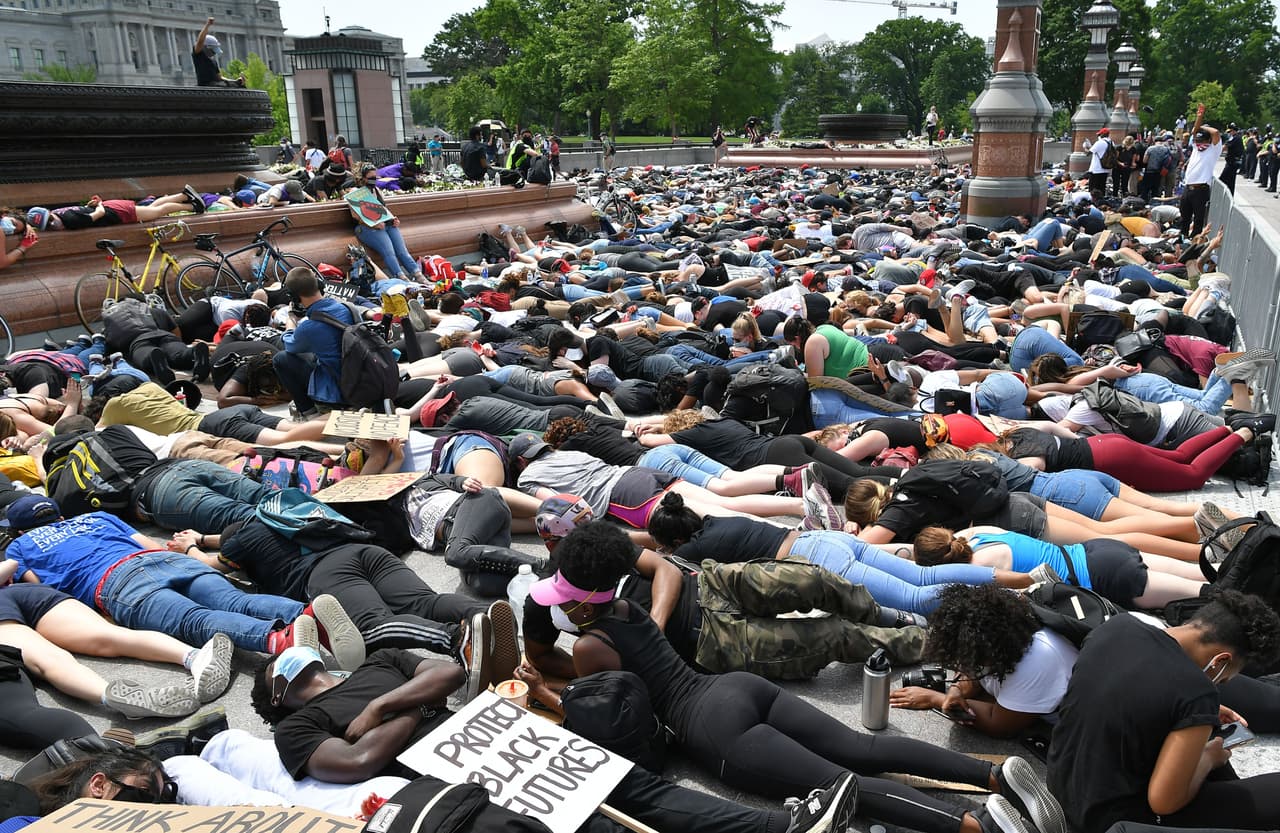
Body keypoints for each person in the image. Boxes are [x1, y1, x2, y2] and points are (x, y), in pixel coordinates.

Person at [525, 520, 1066, 833]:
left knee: (844, 786)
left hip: (710, 726)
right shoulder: (629, 609)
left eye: (564, 597)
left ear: (583, 600)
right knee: (861, 748)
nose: (560, 605)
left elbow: (624, 718)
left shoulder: (592, 646)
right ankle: (993, 776)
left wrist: (546, 694)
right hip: (735, 688)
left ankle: (974, 825)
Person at [248, 644, 860, 833]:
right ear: (276, 695)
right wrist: (419, 706)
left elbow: (450, 672)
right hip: (462, 776)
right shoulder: (296, 728)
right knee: (597, 826)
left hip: (501, 737)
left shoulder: (378, 663)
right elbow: (358, 760)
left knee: (636, 788)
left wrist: (384, 704)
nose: (300, 660)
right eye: (286, 666)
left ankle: (780, 828)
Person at [1, 495, 363, 664]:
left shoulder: (20, 547)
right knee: (235, 600)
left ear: (18, 529)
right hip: (158, 559)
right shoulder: (94, 519)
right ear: (58, 515)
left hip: (116, 583)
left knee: (194, 620)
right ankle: (306, 613)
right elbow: (149, 542)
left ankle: (278, 639)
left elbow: (44, 594)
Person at [1048, 590, 1280, 832]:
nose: (1220, 683)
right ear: (1220, 660)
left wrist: (1197, 717)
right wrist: (1209, 759)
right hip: (1112, 819)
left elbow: (1122, 693)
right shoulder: (1196, 692)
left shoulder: (1116, 627)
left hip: (1062, 788)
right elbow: (1164, 801)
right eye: (1223, 679)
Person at [272, 267, 353, 419]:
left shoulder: (308, 328)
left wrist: (291, 321)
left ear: (294, 297)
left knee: (281, 359)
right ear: (319, 285)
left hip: (339, 387)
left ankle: (309, 413)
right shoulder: (346, 307)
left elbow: (290, 346)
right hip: (359, 374)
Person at [345, 164, 425, 282]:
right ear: (363, 178)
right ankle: (402, 278)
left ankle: (418, 275)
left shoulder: (376, 190)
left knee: (402, 251)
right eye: (370, 178)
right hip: (366, 227)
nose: (373, 180)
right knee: (389, 252)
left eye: (375, 177)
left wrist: (393, 219)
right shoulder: (356, 192)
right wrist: (374, 224)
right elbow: (356, 216)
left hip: (384, 224)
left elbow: (383, 210)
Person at [1180, 106, 1221, 237]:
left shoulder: (1213, 149)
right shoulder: (1196, 148)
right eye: (1197, 141)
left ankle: (1194, 240)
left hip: (1200, 189)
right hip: (1188, 188)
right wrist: (1199, 117)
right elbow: (1194, 131)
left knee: (1198, 220)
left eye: (1202, 141)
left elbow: (1215, 133)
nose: (1199, 143)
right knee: (1184, 218)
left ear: (1208, 140)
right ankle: (1182, 238)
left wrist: (1203, 127)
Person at [191, 17, 244, 88]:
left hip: (216, 86)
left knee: (238, 86)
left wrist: (235, 82)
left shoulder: (213, 62)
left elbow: (220, 78)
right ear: (206, 47)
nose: (214, 53)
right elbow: (200, 41)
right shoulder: (198, 55)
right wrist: (207, 25)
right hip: (205, 87)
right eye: (213, 50)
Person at [1087, 128, 1112, 201]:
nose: (1099, 136)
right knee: (1102, 187)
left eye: (1099, 134)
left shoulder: (1099, 142)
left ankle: (1093, 201)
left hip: (1096, 169)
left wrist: (1086, 147)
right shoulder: (1111, 142)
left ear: (1103, 134)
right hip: (1106, 168)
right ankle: (1101, 201)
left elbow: (1088, 153)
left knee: (1093, 188)